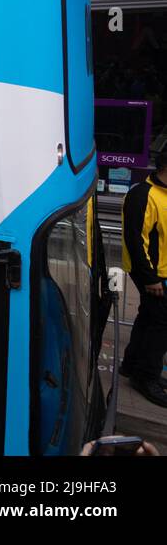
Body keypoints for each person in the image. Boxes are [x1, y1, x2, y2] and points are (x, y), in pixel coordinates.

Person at [120, 149, 167, 406]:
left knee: (149, 317)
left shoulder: (163, 194)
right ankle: (146, 376)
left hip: (161, 272)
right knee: (160, 325)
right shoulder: (142, 194)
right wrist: (150, 278)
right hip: (153, 274)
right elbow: (135, 240)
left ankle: (131, 366)